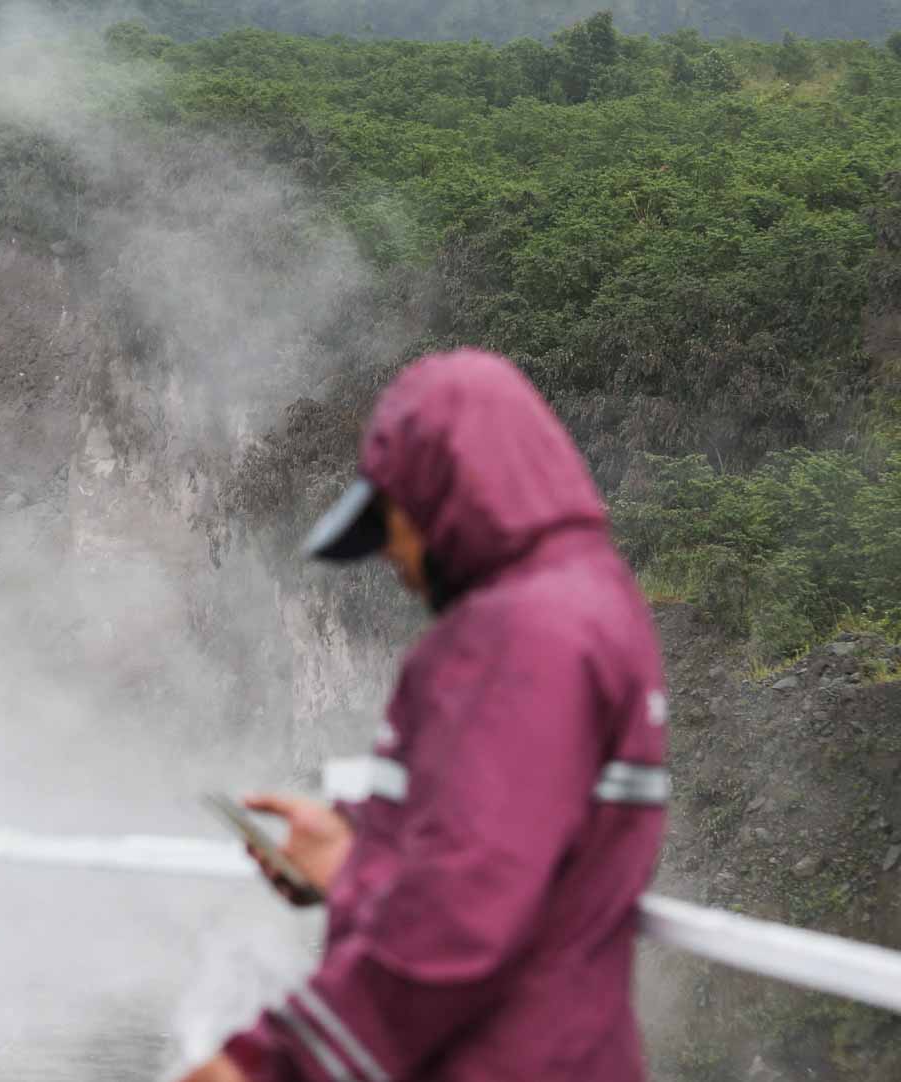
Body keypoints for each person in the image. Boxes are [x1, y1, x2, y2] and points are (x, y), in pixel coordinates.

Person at [182, 348, 669, 1082]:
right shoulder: (587, 604)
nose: (388, 557)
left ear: (448, 490)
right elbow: (513, 847)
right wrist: (356, 860)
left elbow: (462, 913)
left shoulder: (525, 636)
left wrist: (269, 1065)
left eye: (390, 524)